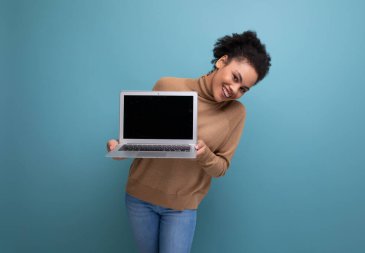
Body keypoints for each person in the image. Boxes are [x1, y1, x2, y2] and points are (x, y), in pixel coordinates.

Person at [106, 30, 271, 253]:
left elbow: (221, 168)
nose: (234, 90)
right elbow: (143, 137)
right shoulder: (167, 86)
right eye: (235, 78)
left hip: (181, 208)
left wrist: (205, 155)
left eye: (243, 89)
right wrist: (120, 149)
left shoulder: (236, 114)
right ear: (222, 62)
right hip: (139, 198)